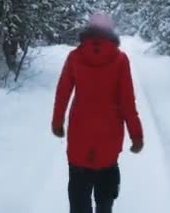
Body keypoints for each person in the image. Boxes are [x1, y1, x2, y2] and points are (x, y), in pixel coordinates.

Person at [51, 12, 144, 213]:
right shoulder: (120, 59)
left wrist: (57, 121)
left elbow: (63, 92)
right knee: (105, 197)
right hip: (109, 139)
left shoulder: (75, 56)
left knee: (78, 197)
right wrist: (136, 135)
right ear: (110, 32)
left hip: (79, 137)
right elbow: (128, 102)